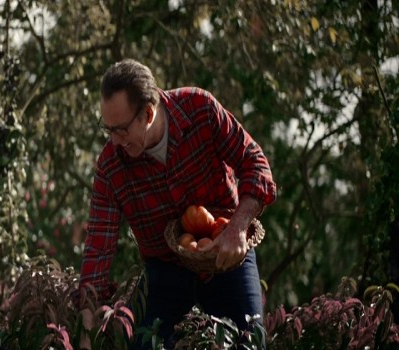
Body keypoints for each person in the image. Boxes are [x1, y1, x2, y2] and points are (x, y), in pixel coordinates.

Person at [77, 59, 277, 349]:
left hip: (226, 257)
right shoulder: (111, 166)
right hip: (166, 272)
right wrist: (85, 328)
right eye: (107, 130)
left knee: (251, 340)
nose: (115, 141)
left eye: (120, 130)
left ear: (147, 113)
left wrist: (237, 227)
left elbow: (255, 163)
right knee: (147, 344)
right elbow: (98, 245)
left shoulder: (199, 109)